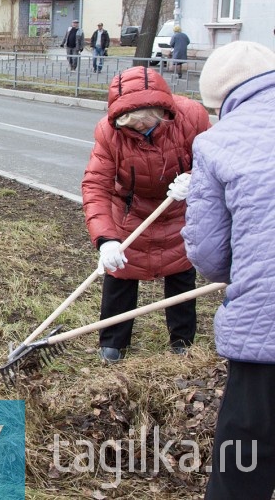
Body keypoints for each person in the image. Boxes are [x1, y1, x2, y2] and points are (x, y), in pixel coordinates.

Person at [180, 41, 275, 500]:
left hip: (266, 330)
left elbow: (210, 255)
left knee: (245, 460)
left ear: (219, 102)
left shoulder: (218, 143)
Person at [80, 66, 210, 363]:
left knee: (180, 272)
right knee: (122, 271)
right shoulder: (109, 132)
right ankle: (113, 343)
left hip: (178, 207)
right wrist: (106, 240)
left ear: (162, 110)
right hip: (130, 211)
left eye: (145, 124)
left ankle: (182, 341)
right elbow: (96, 185)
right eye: (132, 127)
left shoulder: (192, 117)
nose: (140, 131)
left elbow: (214, 161)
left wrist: (195, 178)